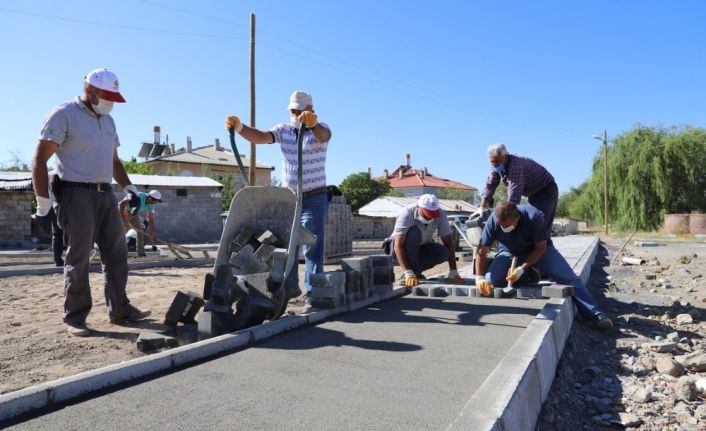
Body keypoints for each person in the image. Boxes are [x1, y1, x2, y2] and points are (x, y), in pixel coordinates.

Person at [32, 68, 151, 337]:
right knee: (79, 256)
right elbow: (39, 160)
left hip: (105, 194)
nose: (110, 103)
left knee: (117, 253)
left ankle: (119, 309)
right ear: (89, 90)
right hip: (75, 194)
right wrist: (42, 206)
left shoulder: (108, 122)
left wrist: (129, 188)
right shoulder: (63, 114)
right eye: (106, 96)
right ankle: (75, 317)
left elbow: (114, 162)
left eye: (114, 97)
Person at [225, 91, 331, 307]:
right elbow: (262, 137)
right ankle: (290, 288)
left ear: (310, 109)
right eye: (293, 110)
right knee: (288, 244)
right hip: (290, 199)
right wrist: (240, 128)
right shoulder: (284, 130)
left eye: (300, 110)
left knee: (311, 244)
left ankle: (313, 292)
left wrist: (313, 124)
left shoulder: (320, 129)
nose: (296, 114)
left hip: (314, 196)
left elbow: (324, 136)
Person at [475, 201, 612, 331]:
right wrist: (479, 278)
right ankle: (528, 274)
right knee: (493, 279)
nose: (504, 229)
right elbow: (482, 250)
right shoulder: (494, 220)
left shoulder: (533, 216)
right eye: (501, 227)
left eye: (508, 226)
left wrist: (522, 268)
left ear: (517, 218)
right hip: (509, 252)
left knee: (567, 277)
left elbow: (541, 248)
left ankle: (594, 315)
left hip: (539, 251)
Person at [475, 143, 558, 240]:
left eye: (497, 161)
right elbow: (490, 184)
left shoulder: (516, 165)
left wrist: (505, 217)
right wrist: (482, 207)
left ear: (505, 156)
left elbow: (514, 196)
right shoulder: (496, 166)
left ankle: (544, 251)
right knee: (530, 222)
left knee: (540, 223)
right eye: (492, 161)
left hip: (546, 191)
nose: (494, 164)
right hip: (533, 194)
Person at [389, 194, 463, 287]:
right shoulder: (407, 213)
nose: (429, 218)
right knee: (414, 232)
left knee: (443, 252)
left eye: (432, 215)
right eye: (427, 214)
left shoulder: (441, 214)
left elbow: (449, 244)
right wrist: (408, 272)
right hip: (397, 250)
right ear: (419, 207)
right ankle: (410, 273)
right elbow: (398, 245)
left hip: (420, 248)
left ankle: (415, 272)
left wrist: (454, 271)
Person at [119, 189, 162, 257]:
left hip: (134, 214)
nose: (155, 203)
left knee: (140, 232)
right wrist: (123, 220)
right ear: (150, 198)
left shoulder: (151, 204)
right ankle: (116, 252)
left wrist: (153, 232)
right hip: (124, 212)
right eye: (155, 201)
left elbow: (150, 218)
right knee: (119, 232)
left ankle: (141, 254)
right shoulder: (137, 195)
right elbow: (121, 204)